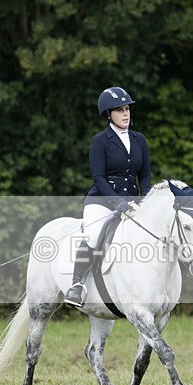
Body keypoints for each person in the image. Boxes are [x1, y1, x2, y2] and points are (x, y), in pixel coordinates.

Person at [64, 86, 152, 307]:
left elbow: (145, 174)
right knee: (93, 235)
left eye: (127, 109)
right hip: (102, 201)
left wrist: (146, 200)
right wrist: (116, 202)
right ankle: (77, 285)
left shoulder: (139, 139)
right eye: (119, 110)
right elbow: (99, 176)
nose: (126, 114)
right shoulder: (100, 141)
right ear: (108, 114)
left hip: (132, 201)